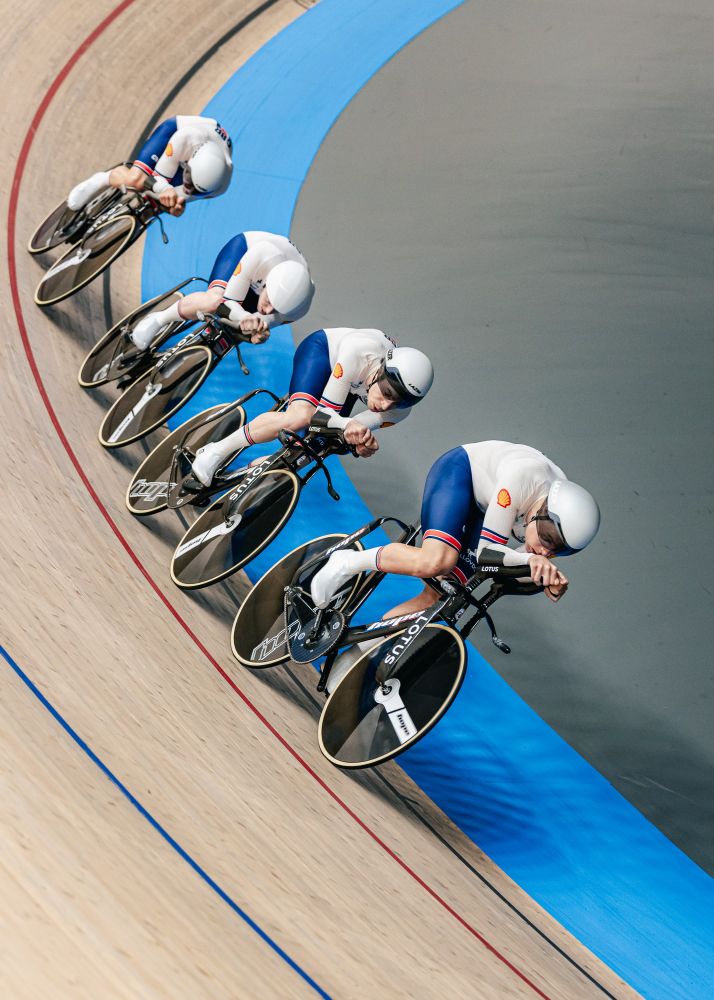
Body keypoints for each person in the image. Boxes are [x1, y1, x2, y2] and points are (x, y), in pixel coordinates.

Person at [311, 440, 600, 613]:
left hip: (488, 510)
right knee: (437, 561)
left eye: (558, 552)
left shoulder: (550, 518)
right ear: (544, 512)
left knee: (441, 598)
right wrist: (531, 560)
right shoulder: (523, 479)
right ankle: (347, 561)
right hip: (461, 476)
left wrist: (542, 580)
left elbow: (506, 571)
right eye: (548, 540)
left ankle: (361, 651)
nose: (546, 551)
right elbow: (489, 553)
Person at [190, 328, 435, 486]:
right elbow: (322, 416)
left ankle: (243, 477)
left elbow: (355, 429)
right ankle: (215, 451)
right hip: (324, 355)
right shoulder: (359, 351)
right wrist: (349, 425)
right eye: (387, 393)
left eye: (397, 402)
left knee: (316, 448)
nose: (385, 406)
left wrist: (360, 442)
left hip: (350, 386)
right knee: (300, 417)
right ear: (380, 372)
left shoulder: (400, 410)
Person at [128, 230, 314, 350]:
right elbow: (226, 302)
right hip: (244, 251)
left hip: (272, 287)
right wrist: (243, 317)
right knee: (214, 301)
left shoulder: (297, 309)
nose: (267, 310)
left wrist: (258, 332)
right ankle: (159, 319)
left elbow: (261, 323)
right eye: (269, 302)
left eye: (275, 310)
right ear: (268, 284)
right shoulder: (263, 254)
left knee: (238, 332)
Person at [66, 114, 233, 217]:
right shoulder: (185, 138)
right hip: (173, 132)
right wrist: (164, 190)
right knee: (136, 180)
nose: (189, 189)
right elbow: (156, 179)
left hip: (201, 162)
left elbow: (181, 197)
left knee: (157, 207)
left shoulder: (217, 186)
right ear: (189, 164)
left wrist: (173, 205)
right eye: (188, 183)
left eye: (194, 189)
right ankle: (102, 179)